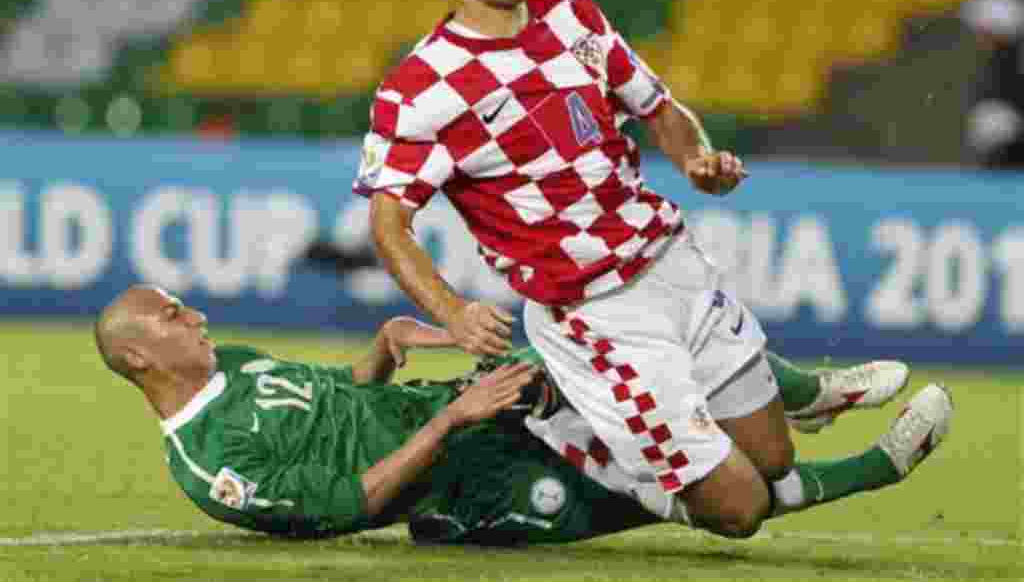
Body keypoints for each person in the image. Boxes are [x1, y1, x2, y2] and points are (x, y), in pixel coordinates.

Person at [354, 0, 954, 538]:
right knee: (739, 507)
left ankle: (796, 399)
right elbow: (390, 226)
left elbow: (658, 107)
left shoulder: (573, 16)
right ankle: (877, 463)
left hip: (671, 265)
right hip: (595, 314)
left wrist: (697, 158)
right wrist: (453, 312)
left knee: (774, 456)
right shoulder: (422, 88)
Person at [96, 285, 949, 545]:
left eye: (184, 309)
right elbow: (344, 506)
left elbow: (340, 397)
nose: (195, 318)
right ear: (138, 358)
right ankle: (881, 466)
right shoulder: (210, 465)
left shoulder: (236, 365)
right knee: (707, 496)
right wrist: (450, 423)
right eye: (174, 321)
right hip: (469, 490)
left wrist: (383, 351)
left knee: (621, 332)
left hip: (472, 408)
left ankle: (810, 394)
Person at [960, 0, 1024, 169]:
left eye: (983, 29)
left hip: (1012, 162)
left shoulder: (1012, 62)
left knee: (994, 122)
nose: (978, 35)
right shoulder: (1001, 60)